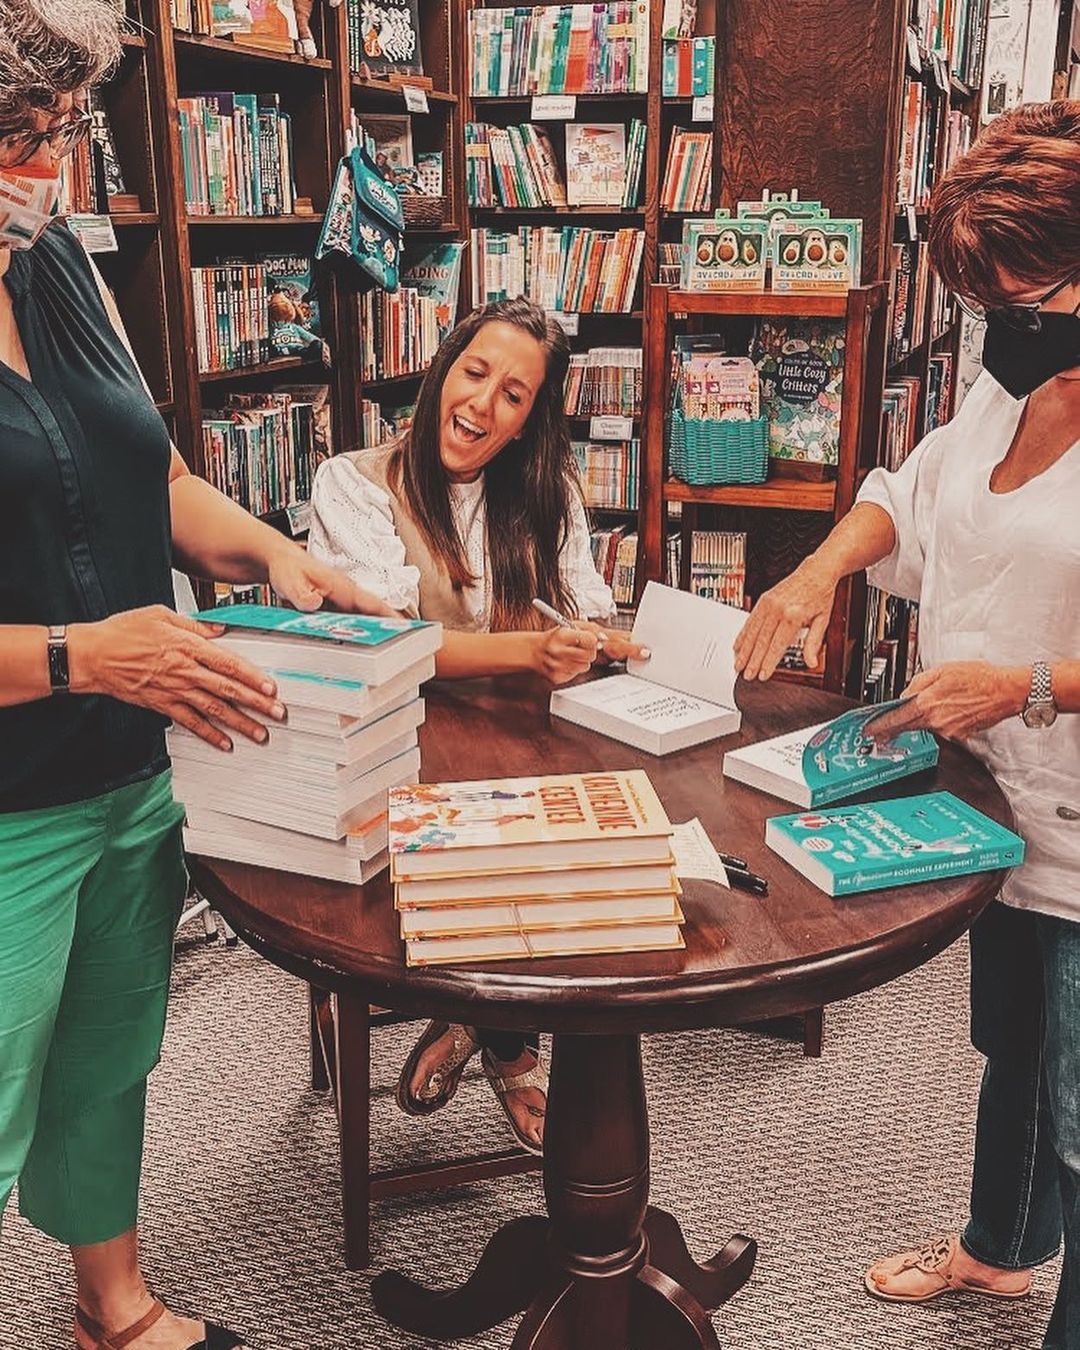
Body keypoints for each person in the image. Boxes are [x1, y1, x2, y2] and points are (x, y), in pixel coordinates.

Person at [0, 5, 388, 1349]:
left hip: (134, 763)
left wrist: (278, 554)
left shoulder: (55, 265)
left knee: (109, 1057)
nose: (45, 169)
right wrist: (78, 654)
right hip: (7, 799)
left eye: (59, 133)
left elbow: (154, 478)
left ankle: (111, 1303)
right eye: (16, 139)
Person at [733, 100, 1080, 1349]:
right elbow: (910, 491)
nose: (1004, 329)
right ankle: (1002, 1249)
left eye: (1025, 301)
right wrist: (818, 570)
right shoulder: (1003, 387)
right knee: (1016, 1046)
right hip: (993, 801)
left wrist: (1029, 684)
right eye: (986, 305)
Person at [309, 296, 647, 1153]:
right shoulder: (355, 482)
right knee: (501, 840)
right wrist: (529, 651)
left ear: (530, 419)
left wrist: (597, 642)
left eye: (514, 395)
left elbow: (581, 606)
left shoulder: (546, 491)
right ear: (441, 369)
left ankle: (472, 1014)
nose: (483, 404)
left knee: (598, 836)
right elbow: (392, 644)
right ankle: (505, 1043)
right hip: (394, 745)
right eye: (476, 373)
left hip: (517, 741)